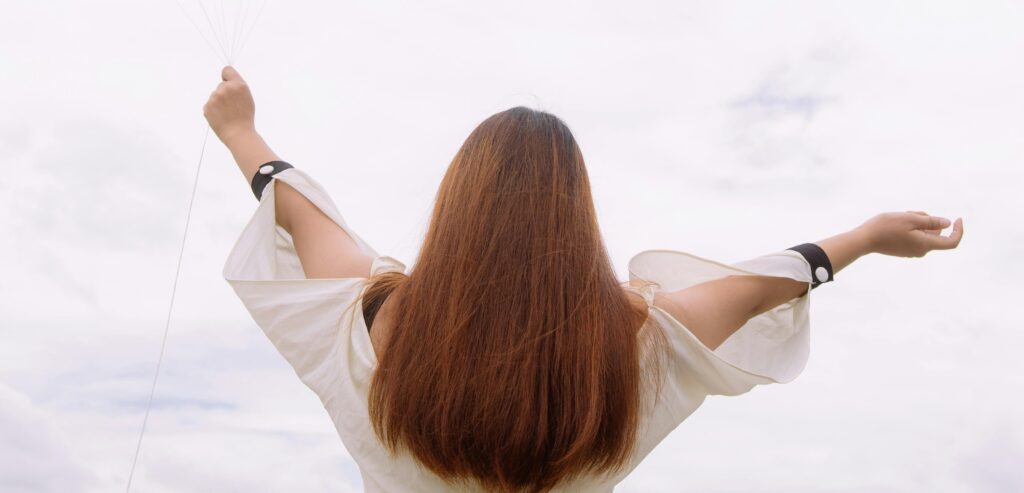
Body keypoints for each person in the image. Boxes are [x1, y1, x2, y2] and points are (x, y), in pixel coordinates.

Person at [206, 66, 964, 492]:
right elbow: (770, 279)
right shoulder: (632, 345)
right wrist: (864, 238)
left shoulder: (376, 324)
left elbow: (304, 217)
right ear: (577, 218)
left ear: (455, 207)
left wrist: (241, 131)